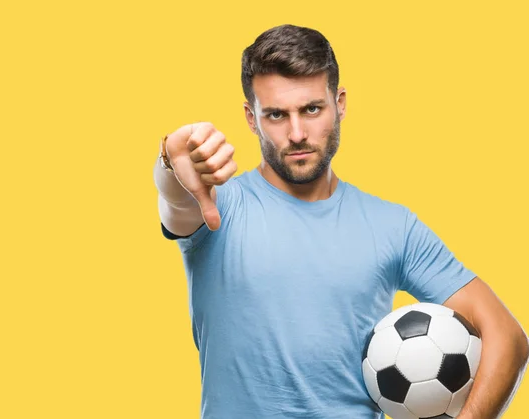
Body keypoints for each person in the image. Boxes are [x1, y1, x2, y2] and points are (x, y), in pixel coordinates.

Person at [153, 24, 528, 419]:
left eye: (312, 109)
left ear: (340, 103)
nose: (297, 133)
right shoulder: (217, 206)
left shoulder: (393, 226)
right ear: (251, 118)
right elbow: (177, 199)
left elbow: (507, 337)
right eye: (277, 115)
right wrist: (168, 162)